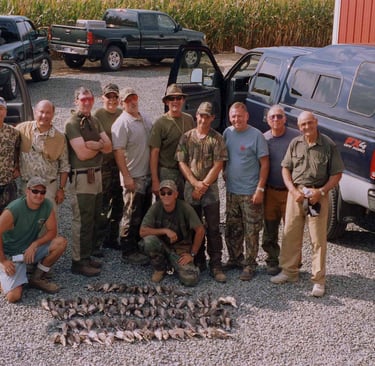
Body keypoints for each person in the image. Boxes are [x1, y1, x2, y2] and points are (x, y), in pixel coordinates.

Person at [271, 111, 344, 297]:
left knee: (317, 239)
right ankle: (289, 272)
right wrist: (293, 191)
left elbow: (336, 174)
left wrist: (321, 192)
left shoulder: (328, 145)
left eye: (309, 123)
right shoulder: (296, 143)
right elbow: (285, 168)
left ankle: (318, 280)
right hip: (297, 194)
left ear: (316, 122)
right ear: (299, 126)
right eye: (303, 125)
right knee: (290, 234)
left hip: (317, 195)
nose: (306, 127)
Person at [176, 101, 228, 283]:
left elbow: (219, 164)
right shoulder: (186, 137)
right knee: (192, 227)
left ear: (212, 118)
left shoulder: (217, 138)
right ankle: (197, 260)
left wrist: (203, 185)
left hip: (211, 191)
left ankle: (216, 264)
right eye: (201, 115)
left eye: (207, 116)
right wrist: (194, 183)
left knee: (213, 228)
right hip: (191, 189)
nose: (203, 119)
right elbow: (182, 161)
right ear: (196, 115)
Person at [65, 86, 112, 277]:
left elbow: (108, 147)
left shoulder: (94, 120)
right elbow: (82, 154)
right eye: (82, 99)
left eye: (89, 99)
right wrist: (98, 146)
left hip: (97, 174)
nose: (86, 102)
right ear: (76, 101)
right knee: (82, 220)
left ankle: (87, 255)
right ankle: (78, 261)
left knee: (94, 217)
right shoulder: (72, 123)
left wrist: (96, 145)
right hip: (82, 175)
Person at [0, 177, 67, 303]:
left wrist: (35, 244)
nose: (39, 195)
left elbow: (52, 231)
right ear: (27, 191)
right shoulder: (14, 209)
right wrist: (3, 260)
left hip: (28, 250)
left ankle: (36, 278)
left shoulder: (47, 205)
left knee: (60, 242)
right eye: (35, 191)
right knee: (14, 297)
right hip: (10, 254)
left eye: (42, 192)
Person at [223, 102, 269, 281]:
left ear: (247, 116)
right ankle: (235, 258)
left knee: (251, 230)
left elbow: (265, 164)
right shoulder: (228, 133)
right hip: (232, 191)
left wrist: (260, 188)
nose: (236, 120)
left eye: (239, 116)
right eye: (233, 116)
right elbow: (224, 157)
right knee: (233, 227)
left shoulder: (256, 135)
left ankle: (250, 264)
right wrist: (224, 173)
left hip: (250, 192)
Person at [112, 87, 152, 265]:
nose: (133, 102)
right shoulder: (121, 123)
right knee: (130, 214)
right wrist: (126, 176)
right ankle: (128, 250)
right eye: (128, 100)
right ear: (122, 104)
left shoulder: (144, 119)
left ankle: (138, 244)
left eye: (134, 98)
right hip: (133, 177)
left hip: (146, 175)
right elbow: (118, 152)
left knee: (143, 212)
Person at [139, 180, 205, 286]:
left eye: (169, 193)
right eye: (163, 193)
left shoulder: (185, 208)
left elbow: (200, 230)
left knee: (191, 280)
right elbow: (142, 232)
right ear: (159, 195)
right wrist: (165, 231)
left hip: (180, 250)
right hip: (163, 247)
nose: (166, 196)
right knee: (148, 241)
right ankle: (160, 268)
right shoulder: (155, 207)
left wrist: (192, 254)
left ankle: (175, 264)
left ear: (176, 194)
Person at [262, 105, 300, 275]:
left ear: (285, 118)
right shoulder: (264, 139)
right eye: (273, 117)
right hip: (270, 191)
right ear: (267, 120)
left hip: (290, 192)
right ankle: (272, 260)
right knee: (270, 228)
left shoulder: (296, 138)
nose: (276, 120)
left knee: (291, 229)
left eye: (279, 116)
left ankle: (292, 263)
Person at [16, 100, 70, 213]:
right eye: (41, 112)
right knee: (26, 224)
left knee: (48, 224)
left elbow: (64, 166)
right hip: (27, 187)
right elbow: (10, 148)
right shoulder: (22, 130)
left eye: (48, 112)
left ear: (53, 114)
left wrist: (61, 189)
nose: (44, 115)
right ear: (35, 112)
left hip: (49, 188)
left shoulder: (59, 138)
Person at [149, 84, 195, 198]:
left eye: (178, 98)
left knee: (187, 205)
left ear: (183, 100)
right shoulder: (160, 123)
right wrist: (155, 180)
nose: (175, 101)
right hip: (167, 171)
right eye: (171, 98)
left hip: (187, 171)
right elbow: (154, 153)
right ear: (166, 102)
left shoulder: (189, 119)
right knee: (167, 206)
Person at [93, 83, 123, 251]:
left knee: (119, 202)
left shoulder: (121, 114)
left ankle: (112, 238)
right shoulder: (97, 115)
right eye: (108, 96)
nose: (112, 100)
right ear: (102, 98)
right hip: (103, 165)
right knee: (103, 203)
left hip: (119, 164)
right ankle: (98, 242)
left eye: (115, 97)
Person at [0, 97, 20, 214]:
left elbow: (19, 150)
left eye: (1, 109)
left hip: (7, 184)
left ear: (6, 112)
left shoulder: (13, 132)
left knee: (8, 220)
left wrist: (18, 167)